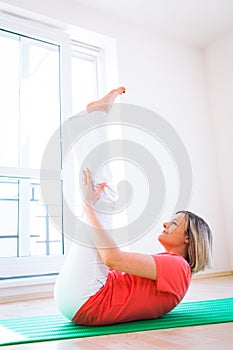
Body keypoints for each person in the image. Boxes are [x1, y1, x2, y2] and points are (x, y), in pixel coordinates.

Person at [54, 88, 213, 326]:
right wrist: (88, 208)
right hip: (81, 299)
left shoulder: (178, 267)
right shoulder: (174, 268)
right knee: (102, 202)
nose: (166, 223)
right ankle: (92, 122)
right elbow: (115, 268)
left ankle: (96, 118)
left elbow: (112, 259)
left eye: (175, 223)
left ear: (189, 238)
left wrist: (87, 207)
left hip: (87, 299)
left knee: (104, 198)